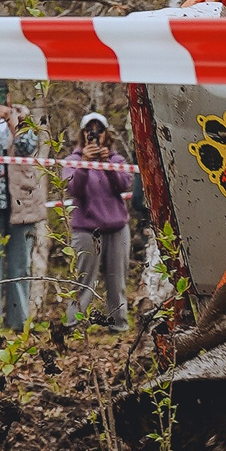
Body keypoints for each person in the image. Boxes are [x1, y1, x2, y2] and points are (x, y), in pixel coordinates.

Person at [0, 90, 43, 330]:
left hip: (21, 204)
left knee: (20, 266)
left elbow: (27, 147)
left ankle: (19, 322)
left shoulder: (24, 118)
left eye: (1, 95)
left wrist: (12, 120)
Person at [66, 113, 135, 331]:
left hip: (117, 228)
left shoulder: (116, 160)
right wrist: (85, 165)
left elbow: (124, 184)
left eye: (99, 130)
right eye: (89, 130)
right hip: (86, 229)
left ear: (106, 134)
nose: (94, 134)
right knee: (83, 280)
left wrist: (106, 165)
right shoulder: (73, 161)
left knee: (117, 280)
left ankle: (118, 324)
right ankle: (74, 325)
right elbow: (73, 188)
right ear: (83, 134)